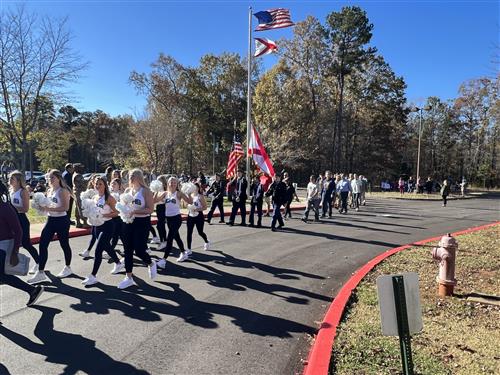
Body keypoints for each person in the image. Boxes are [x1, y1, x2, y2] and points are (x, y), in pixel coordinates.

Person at [0, 180, 45, 306]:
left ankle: (32, 290)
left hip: (5, 244)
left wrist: (15, 252)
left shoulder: (6, 208)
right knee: (2, 277)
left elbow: (18, 231)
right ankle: (32, 290)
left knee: (2, 276)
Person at [28, 169, 74, 284]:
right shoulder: (49, 190)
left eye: (52, 177)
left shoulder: (62, 191)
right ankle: (41, 272)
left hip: (62, 221)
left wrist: (48, 209)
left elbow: (65, 208)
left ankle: (68, 267)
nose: (50, 179)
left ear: (58, 178)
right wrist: (39, 206)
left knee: (64, 244)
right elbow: (46, 204)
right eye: (49, 178)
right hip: (51, 220)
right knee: (43, 244)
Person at [117, 169, 157, 290]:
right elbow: (124, 205)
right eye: (129, 176)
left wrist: (135, 211)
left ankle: (151, 263)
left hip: (142, 222)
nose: (130, 177)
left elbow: (150, 209)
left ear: (139, 177)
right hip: (128, 222)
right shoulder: (128, 190)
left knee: (139, 250)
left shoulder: (146, 191)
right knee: (127, 250)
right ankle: (128, 277)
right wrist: (123, 210)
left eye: (133, 175)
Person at [81, 177, 125, 286]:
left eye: (100, 184)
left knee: (98, 250)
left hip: (108, 226)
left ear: (105, 185)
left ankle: (93, 276)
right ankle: (119, 263)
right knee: (107, 247)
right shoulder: (95, 197)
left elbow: (117, 212)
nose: (98, 186)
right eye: (96, 184)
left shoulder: (109, 198)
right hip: (96, 226)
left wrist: (103, 215)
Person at [156, 176, 192, 267]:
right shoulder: (165, 193)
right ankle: (184, 253)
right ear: (167, 183)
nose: (172, 184)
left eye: (174, 182)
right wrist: (156, 191)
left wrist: (189, 193)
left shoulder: (178, 193)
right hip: (168, 219)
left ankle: (164, 260)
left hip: (176, 219)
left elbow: (190, 202)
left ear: (177, 184)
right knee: (177, 237)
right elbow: (153, 201)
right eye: (171, 182)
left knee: (170, 238)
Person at [8, 171, 40, 274]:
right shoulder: (10, 191)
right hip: (10, 220)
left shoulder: (23, 191)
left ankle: (39, 263)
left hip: (21, 219)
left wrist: (11, 207)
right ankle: (8, 266)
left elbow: (25, 209)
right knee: (9, 243)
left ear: (18, 181)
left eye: (12, 178)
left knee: (26, 244)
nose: (10, 180)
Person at [186, 182, 210, 255]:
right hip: (190, 216)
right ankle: (189, 249)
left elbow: (205, 207)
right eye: (193, 187)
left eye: (196, 187)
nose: (195, 188)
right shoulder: (190, 195)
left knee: (200, 232)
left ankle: (207, 241)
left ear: (199, 188)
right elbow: (186, 204)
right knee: (189, 232)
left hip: (199, 216)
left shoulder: (200, 196)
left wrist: (196, 210)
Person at [152, 175, 169, 250]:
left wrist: (156, 192)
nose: (157, 182)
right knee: (160, 226)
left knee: (160, 225)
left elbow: (155, 200)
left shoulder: (165, 191)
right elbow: (153, 200)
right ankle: (164, 241)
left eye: (159, 180)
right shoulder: (158, 191)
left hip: (163, 208)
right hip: (159, 208)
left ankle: (164, 241)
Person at [109, 178, 125, 254]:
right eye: (112, 183)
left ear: (119, 186)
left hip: (118, 217)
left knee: (115, 233)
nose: (113, 185)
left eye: (115, 183)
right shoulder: (109, 193)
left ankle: (111, 250)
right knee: (120, 234)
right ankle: (128, 248)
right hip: (111, 216)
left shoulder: (121, 194)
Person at [72, 164, 89, 228]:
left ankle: (78, 222)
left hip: (76, 192)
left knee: (77, 207)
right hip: (79, 193)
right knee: (81, 207)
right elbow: (83, 183)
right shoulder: (78, 175)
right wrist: (90, 179)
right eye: (80, 168)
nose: (82, 169)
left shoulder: (75, 174)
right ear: (77, 168)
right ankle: (85, 222)